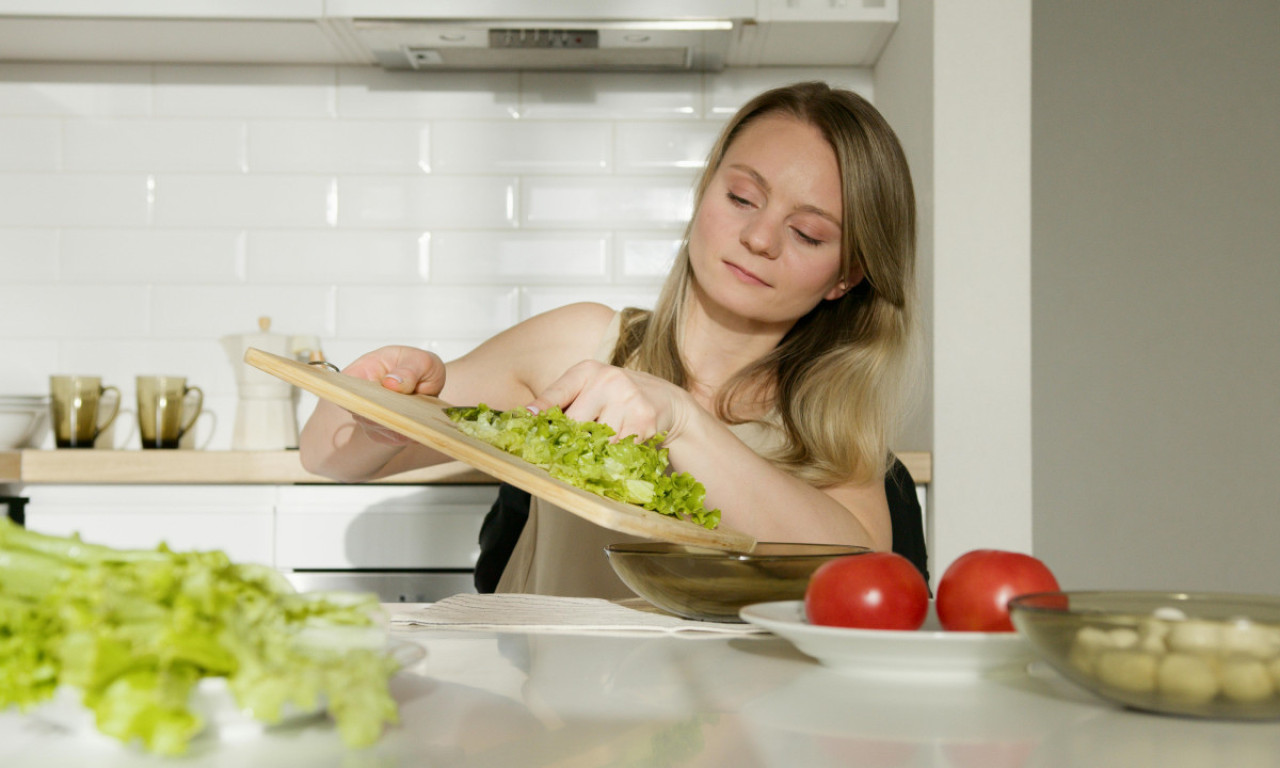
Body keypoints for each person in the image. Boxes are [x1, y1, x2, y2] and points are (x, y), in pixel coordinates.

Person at [299, 81, 923, 600]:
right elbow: (325, 453)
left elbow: (861, 567)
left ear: (846, 276)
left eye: (808, 233)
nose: (759, 239)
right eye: (740, 198)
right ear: (704, 191)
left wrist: (681, 420)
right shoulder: (585, 343)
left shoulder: (831, 428)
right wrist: (379, 405)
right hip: (548, 707)